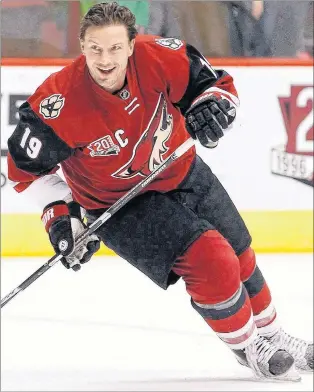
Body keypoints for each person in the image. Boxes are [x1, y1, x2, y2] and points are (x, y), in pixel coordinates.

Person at [7, 1, 313, 381]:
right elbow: (25, 172)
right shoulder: (57, 104)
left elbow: (215, 86)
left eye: (115, 48)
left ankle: (274, 333)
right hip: (120, 207)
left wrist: (211, 108)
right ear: (82, 47)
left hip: (182, 171)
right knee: (213, 259)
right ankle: (250, 345)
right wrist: (60, 219)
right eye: (96, 49)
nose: (105, 59)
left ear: (132, 45)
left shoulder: (159, 57)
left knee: (239, 251)